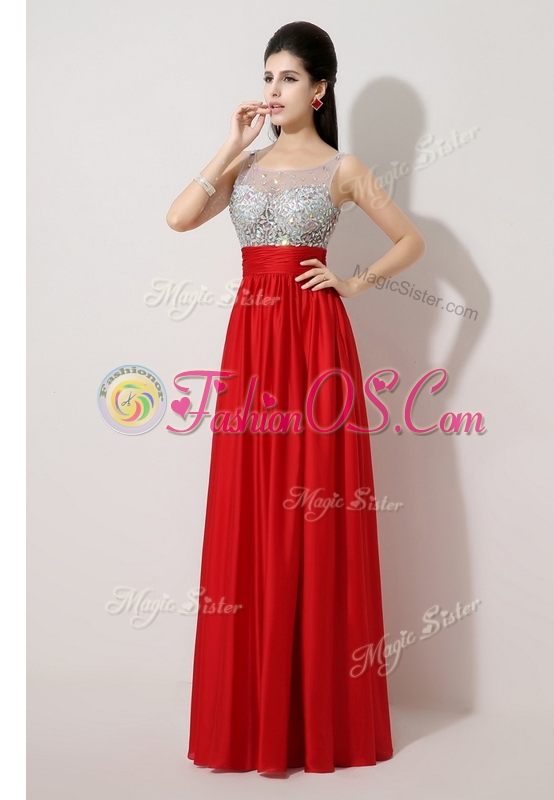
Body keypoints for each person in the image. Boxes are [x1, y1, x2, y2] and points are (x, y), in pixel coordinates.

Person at [166, 20, 426, 774]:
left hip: (315, 347)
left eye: (288, 78)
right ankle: (254, 717)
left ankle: (317, 720)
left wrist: (353, 282)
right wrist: (229, 145)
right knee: (252, 505)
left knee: (314, 506)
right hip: (252, 346)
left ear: (320, 89)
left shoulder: (344, 168)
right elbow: (179, 218)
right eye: (267, 76)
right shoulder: (245, 167)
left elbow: (410, 241)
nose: (273, 90)